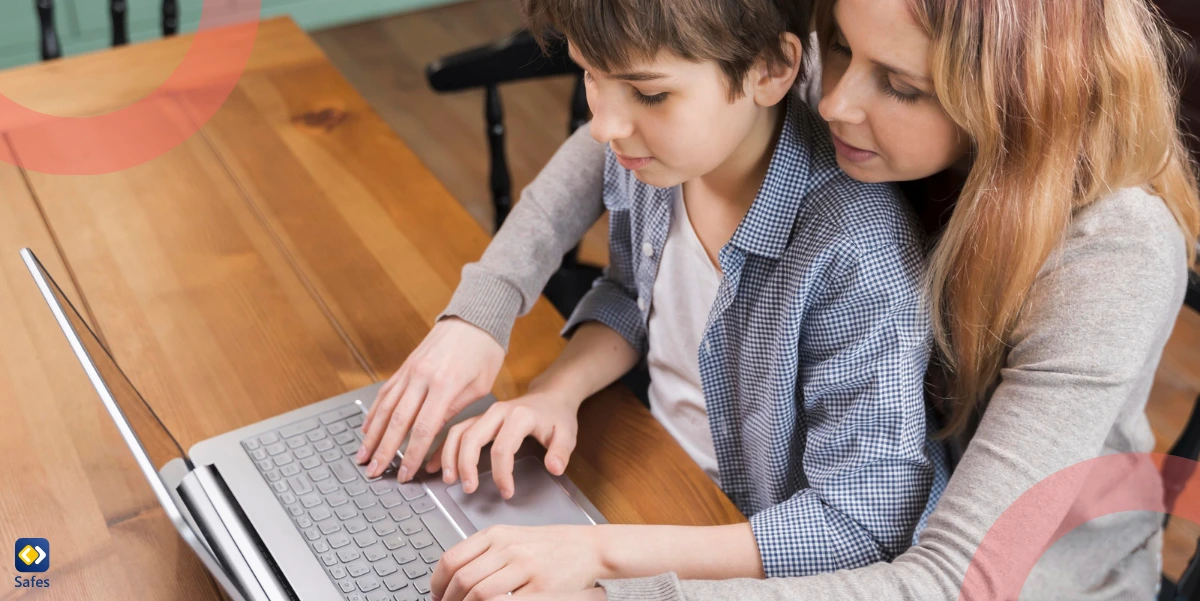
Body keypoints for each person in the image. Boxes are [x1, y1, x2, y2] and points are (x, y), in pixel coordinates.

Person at [366, 0, 1200, 598]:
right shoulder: (844, 99)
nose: (831, 100)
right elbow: (624, 133)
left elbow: (946, 576)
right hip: (812, 519)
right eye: (834, 44)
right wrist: (485, 308)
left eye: (900, 86)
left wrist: (610, 569)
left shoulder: (1112, 254)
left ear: (1014, 99)